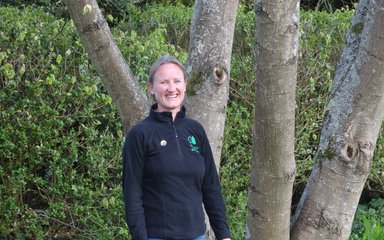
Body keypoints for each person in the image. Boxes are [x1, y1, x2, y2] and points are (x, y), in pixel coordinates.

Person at [122, 55, 231, 240]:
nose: (171, 88)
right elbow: (132, 195)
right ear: (151, 88)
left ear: (185, 85)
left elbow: (211, 187)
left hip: (197, 235)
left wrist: (224, 235)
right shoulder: (139, 135)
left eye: (177, 81)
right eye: (164, 82)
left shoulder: (195, 130)